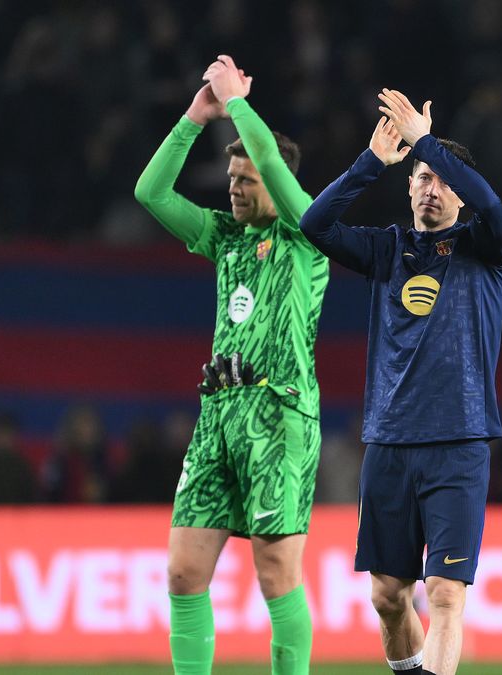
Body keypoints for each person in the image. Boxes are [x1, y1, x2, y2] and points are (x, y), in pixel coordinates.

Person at [300, 89, 502, 675]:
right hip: (390, 443)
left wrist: (425, 140)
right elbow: (314, 223)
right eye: (419, 176)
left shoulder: (484, 247)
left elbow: (492, 205)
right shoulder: (387, 250)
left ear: (458, 190)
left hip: (458, 443)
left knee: (445, 594)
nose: (428, 185)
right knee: (388, 599)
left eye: (440, 178)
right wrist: (371, 161)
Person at [134, 54, 328, 675]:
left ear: (277, 183)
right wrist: (197, 115)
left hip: (279, 417)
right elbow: (150, 191)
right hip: (218, 412)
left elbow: (271, 158)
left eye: (246, 179)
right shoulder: (222, 237)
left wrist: (238, 102)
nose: (235, 188)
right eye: (232, 178)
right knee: (183, 571)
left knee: (276, 575)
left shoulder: (307, 233)